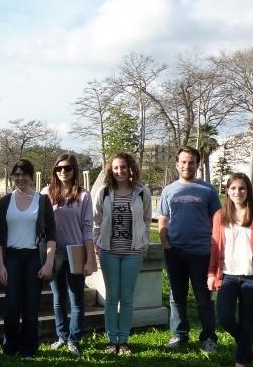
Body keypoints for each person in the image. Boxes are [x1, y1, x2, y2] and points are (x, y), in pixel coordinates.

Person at [207, 173, 253, 367]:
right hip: (228, 275)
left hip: (252, 277)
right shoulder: (220, 216)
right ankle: (246, 346)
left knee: (247, 319)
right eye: (233, 188)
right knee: (225, 317)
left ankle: (241, 361)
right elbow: (215, 247)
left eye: (242, 188)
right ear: (227, 191)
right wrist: (211, 273)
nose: (237, 192)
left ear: (248, 191)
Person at [159, 146, 221, 353]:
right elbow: (163, 219)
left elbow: (218, 220)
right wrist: (165, 243)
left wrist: (216, 247)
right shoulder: (168, 191)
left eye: (191, 162)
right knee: (177, 297)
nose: (187, 165)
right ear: (177, 165)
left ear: (197, 164)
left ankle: (209, 337)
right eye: (183, 162)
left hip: (202, 252)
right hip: (175, 251)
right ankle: (179, 335)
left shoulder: (208, 190)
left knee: (204, 297)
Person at [0, 159, 56, 358]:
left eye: (24, 174)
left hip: (33, 258)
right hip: (11, 257)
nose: (21, 178)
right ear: (12, 177)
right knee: (12, 306)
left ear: (31, 177)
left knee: (31, 306)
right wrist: (0, 265)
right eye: (17, 175)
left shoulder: (42, 200)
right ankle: (9, 345)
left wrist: (48, 262)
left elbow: (52, 236)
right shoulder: (5, 201)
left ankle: (28, 348)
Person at [93, 152, 151, 355]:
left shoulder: (142, 192)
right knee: (111, 297)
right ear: (111, 170)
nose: (120, 171)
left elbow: (146, 220)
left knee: (126, 297)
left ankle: (123, 341)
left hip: (132, 252)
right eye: (116, 167)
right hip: (109, 251)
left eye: (123, 167)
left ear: (130, 169)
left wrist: (144, 245)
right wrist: (97, 245)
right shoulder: (104, 192)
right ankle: (111, 340)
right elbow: (97, 221)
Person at [44, 153, 96, 356]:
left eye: (67, 168)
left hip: (75, 251)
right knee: (58, 297)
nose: (63, 172)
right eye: (59, 168)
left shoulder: (83, 195)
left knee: (76, 297)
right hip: (54, 252)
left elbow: (88, 228)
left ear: (74, 171)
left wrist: (90, 258)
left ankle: (74, 339)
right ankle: (61, 336)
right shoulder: (46, 192)